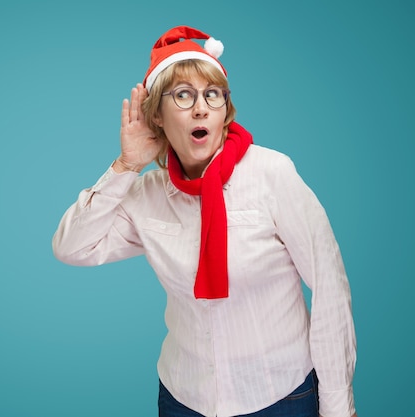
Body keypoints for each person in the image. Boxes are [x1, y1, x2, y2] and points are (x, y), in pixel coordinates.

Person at [52, 25, 357, 417]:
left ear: (224, 109)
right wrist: (126, 166)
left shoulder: (272, 175)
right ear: (157, 117)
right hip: (184, 397)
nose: (200, 108)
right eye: (183, 95)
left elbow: (330, 287)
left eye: (212, 95)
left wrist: (337, 407)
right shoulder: (147, 195)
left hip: (278, 395)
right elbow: (72, 247)